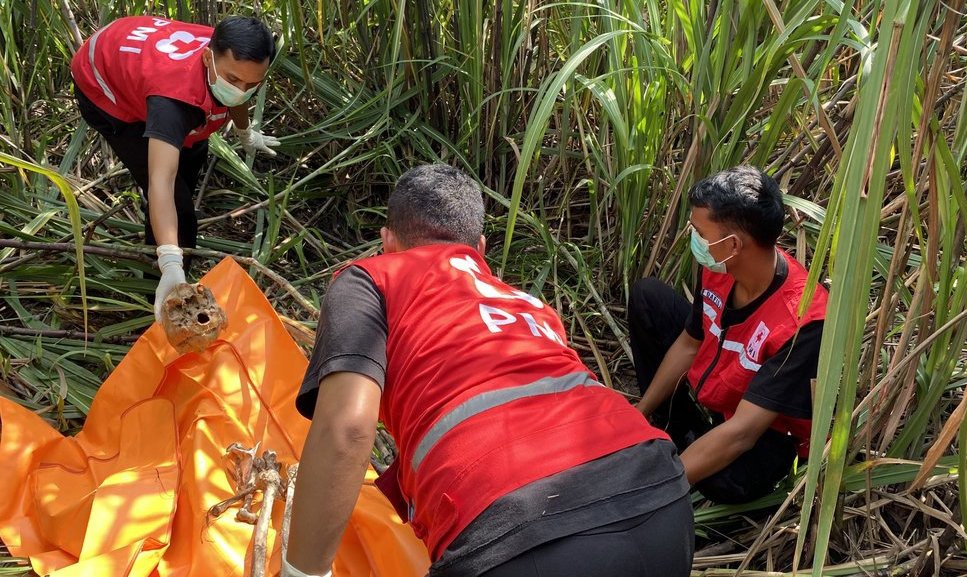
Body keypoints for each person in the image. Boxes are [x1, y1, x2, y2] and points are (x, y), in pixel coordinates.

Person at [285, 165, 694, 577]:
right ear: (479, 248)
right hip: (660, 498)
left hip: (518, 533)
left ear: (387, 241)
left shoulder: (372, 278)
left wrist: (300, 572)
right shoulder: (529, 306)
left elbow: (348, 429)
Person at [628, 165, 828, 504]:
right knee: (648, 297)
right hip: (722, 387)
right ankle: (675, 429)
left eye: (699, 231)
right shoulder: (719, 268)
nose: (693, 238)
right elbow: (690, 343)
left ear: (733, 244)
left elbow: (743, 432)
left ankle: (685, 455)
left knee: (726, 481)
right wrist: (639, 413)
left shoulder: (803, 322)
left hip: (766, 428)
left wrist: (655, 486)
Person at [70, 15, 280, 319]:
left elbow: (237, 91)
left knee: (192, 154)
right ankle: (165, 292)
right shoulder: (173, 102)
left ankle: (162, 234)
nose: (241, 89)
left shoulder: (230, 54)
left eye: (253, 84)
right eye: (233, 81)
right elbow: (161, 181)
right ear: (208, 59)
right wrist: (170, 259)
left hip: (142, 58)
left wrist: (246, 131)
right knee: (178, 207)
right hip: (102, 83)